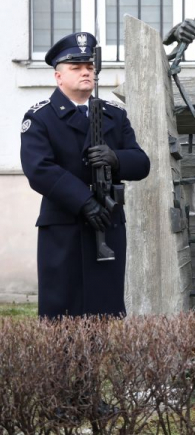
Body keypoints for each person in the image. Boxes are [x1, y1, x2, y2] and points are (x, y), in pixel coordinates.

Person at [20, 32, 150, 319]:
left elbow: (142, 163)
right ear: (58, 77)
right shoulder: (41, 117)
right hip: (64, 225)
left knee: (102, 311)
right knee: (62, 313)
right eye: (76, 68)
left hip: (107, 221)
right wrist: (84, 201)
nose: (86, 72)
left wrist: (116, 159)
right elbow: (38, 169)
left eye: (89, 67)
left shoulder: (114, 114)